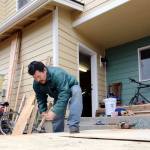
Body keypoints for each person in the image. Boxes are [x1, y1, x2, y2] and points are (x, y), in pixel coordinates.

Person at [28, 61, 83, 133]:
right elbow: (40, 98)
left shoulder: (58, 74)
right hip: (59, 93)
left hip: (71, 86)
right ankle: (58, 132)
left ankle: (73, 126)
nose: (38, 80)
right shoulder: (36, 84)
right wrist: (43, 110)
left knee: (77, 92)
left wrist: (54, 111)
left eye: (39, 76)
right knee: (57, 112)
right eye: (35, 78)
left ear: (44, 70)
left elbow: (64, 93)